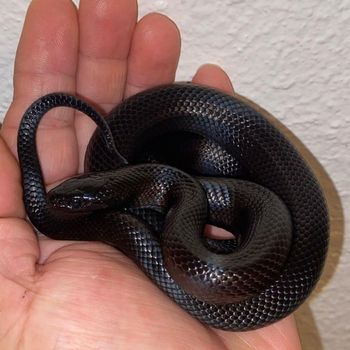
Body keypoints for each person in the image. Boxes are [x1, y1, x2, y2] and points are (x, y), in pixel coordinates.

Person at [0, 0, 302, 349]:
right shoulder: (152, 189)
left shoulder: (178, 202)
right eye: (74, 199)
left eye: (75, 199)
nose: (66, 202)